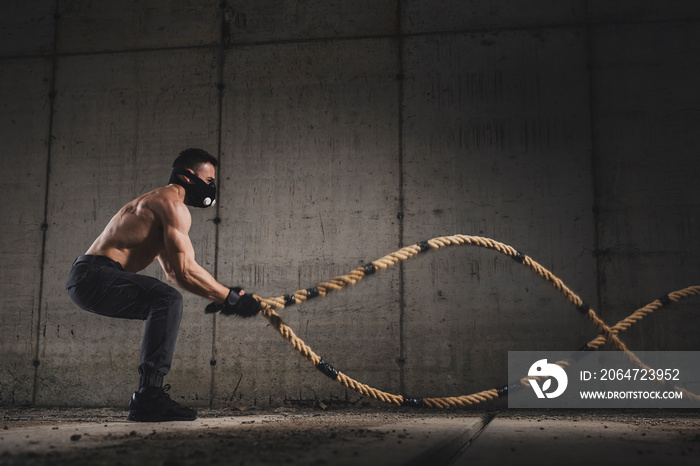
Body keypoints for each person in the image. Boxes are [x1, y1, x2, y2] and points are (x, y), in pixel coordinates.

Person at [65, 148, 261, 422]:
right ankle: (148, 397)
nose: (212, 187)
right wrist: (229, 298)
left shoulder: (156, 205)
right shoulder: (172, 206)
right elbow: (185, 270)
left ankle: (149, 395)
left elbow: (175, 273)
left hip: (88, 278)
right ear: (188, 177)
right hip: (95, 276)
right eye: (209, 180)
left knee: (165, 300)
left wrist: (222, 295)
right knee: (167, 300)